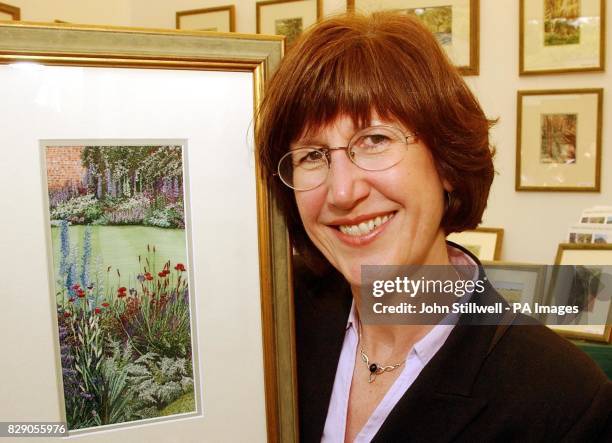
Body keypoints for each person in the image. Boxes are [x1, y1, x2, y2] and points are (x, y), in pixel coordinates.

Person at [255, 12, 611, 442]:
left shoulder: (564, 400)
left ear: (444, 161)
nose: (343, 192)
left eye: (375, 140)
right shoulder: (271, 320)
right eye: (312, 154)